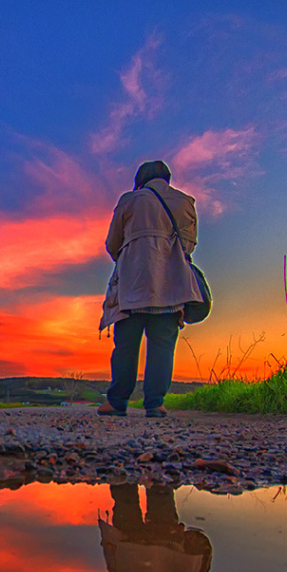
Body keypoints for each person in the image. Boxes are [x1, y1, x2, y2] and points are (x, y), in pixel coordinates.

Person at [98, 160, 202, 418]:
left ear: (140, 180)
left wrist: (132, 256)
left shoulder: (130, 200)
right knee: (163, 344)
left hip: (134, 283)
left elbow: (113, 243)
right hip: (171, 284)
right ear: (167, 177)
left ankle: (117, 402)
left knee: (126, 345)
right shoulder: (186, 202)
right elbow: (189, 244)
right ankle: (155, 403)